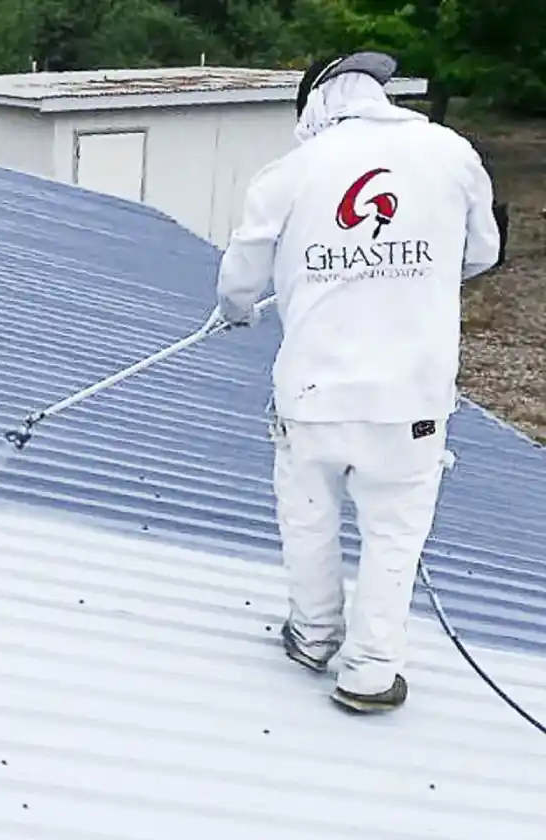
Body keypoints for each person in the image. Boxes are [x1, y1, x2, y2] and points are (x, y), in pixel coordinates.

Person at [214, 51, 501, 713]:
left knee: (310, 519)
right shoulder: (450, 152)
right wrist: (410, 275)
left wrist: (236, 313)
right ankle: (370, 673)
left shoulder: (289, 172)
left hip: (313, 394)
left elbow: (239, 283)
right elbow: (481, 253)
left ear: (316, 104)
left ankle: (313, 638)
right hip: (412, 398)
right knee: (394, 537)